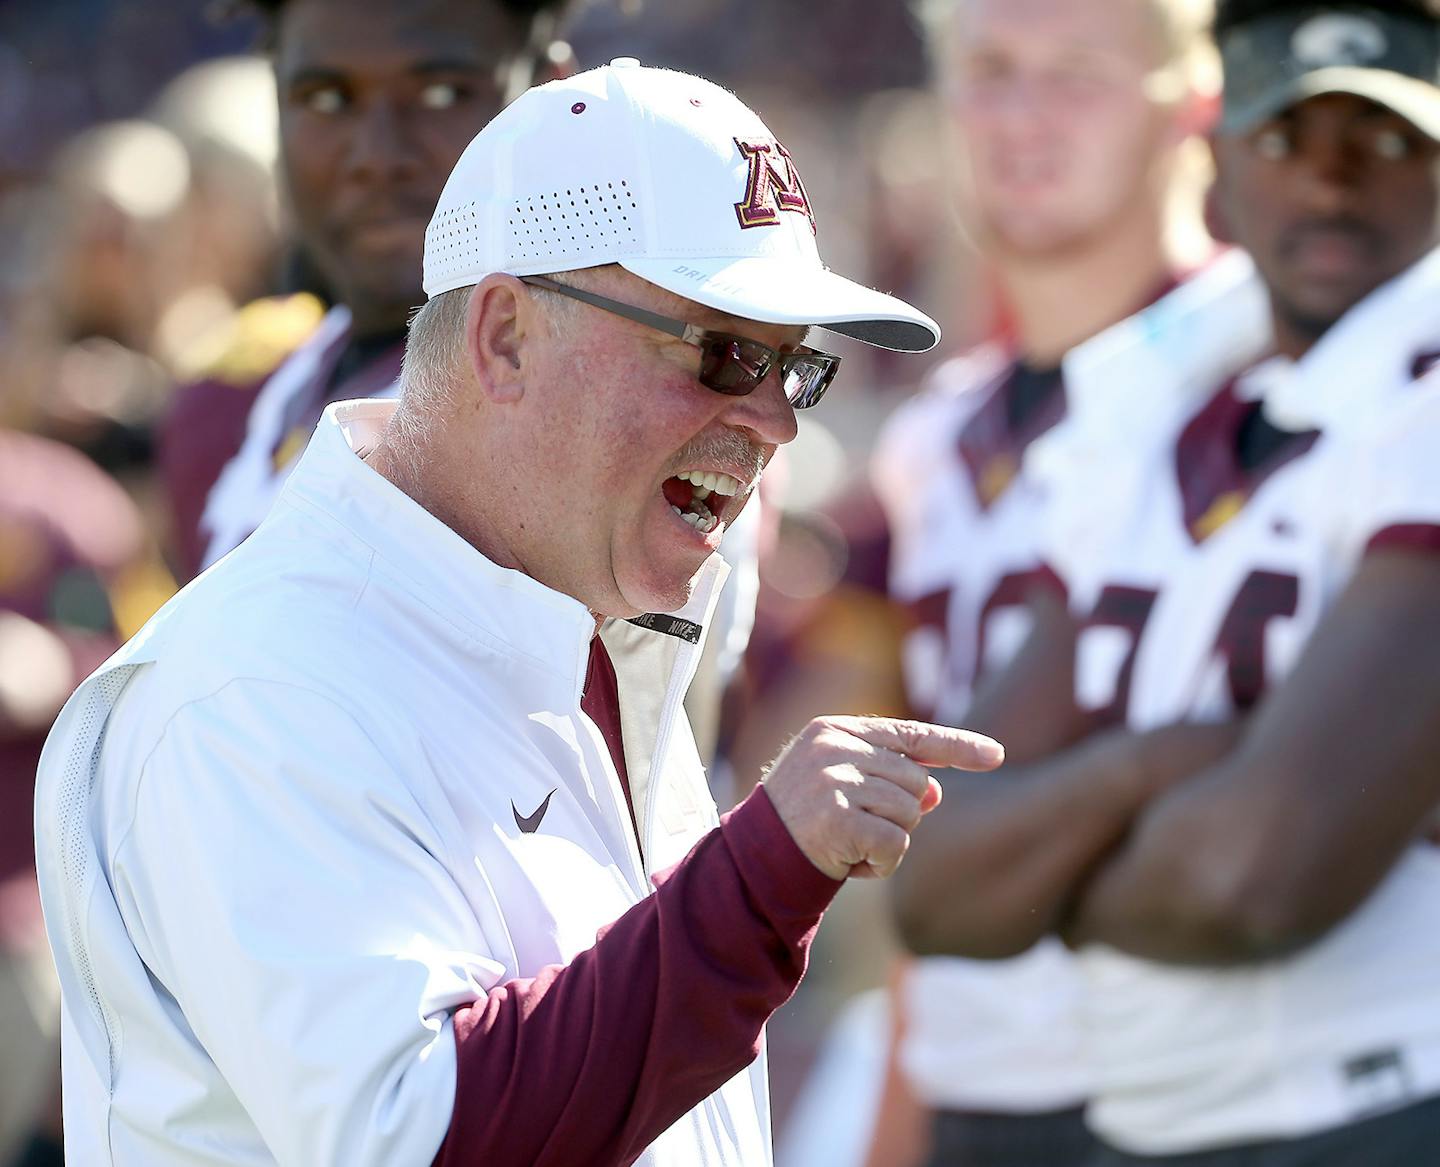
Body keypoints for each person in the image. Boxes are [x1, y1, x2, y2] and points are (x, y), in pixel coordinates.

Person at [33, 60, 1008, 1167]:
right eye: (726, 353)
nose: (775, 423)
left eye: (794, 370)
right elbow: (425, 1139)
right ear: (504, 337)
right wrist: (755, 886)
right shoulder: (255, 689)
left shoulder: (587, 623)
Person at [892, 0, 1440, 1162]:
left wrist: (1060, 882)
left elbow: (1251, 879)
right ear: (1223, 152)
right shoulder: (1150, 416)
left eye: (1387, 139)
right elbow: (934, 886)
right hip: (1144, 1118)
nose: (1333, 186)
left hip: (1377, 1101)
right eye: (1289, 138)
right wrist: (1161, 768)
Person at [847, 2, 1216, 1164]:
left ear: (1192, 104)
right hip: (984, 1091)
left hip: (1214, 1090)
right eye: (992, 71)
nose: (1021, 117)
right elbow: (931, 835)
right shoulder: (938, 439)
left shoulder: (1277, 368)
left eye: (1076, 76)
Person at [158, 0, 578, 580]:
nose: (378, 156)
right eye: (328, 100)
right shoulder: (227, 410)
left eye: (442, 94)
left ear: (549, 96)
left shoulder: (596, 417)